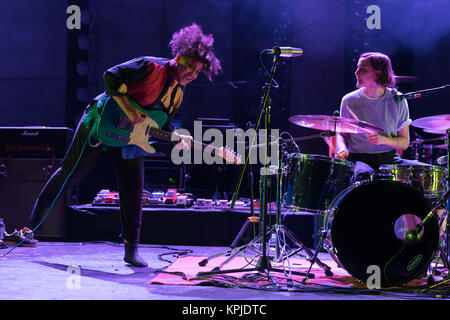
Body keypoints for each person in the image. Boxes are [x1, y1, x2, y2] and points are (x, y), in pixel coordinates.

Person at [29, 23, 221, 267]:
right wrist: (130, 111)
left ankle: (131, 249)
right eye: (190, 66)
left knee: (133, 191)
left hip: (131, 138)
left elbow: (162, 123)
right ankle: (34, 220)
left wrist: (177, 138)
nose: (191, 74)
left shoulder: (177, 94)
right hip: (102, 122)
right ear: (179, 56)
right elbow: (110, 76)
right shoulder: (150, 66)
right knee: (70, 174)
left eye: (197, 72)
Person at [335, 52, 423, 182]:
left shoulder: (398, 99)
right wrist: (342, 148)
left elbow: (404, 142)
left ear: (378, 73)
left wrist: (383, 140)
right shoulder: (349, 100)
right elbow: (342, 135)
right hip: (359, 159)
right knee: (365, 176)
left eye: (362, 70)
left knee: (424, 174)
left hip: (390, 159)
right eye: (357, 68)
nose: (356, 73)